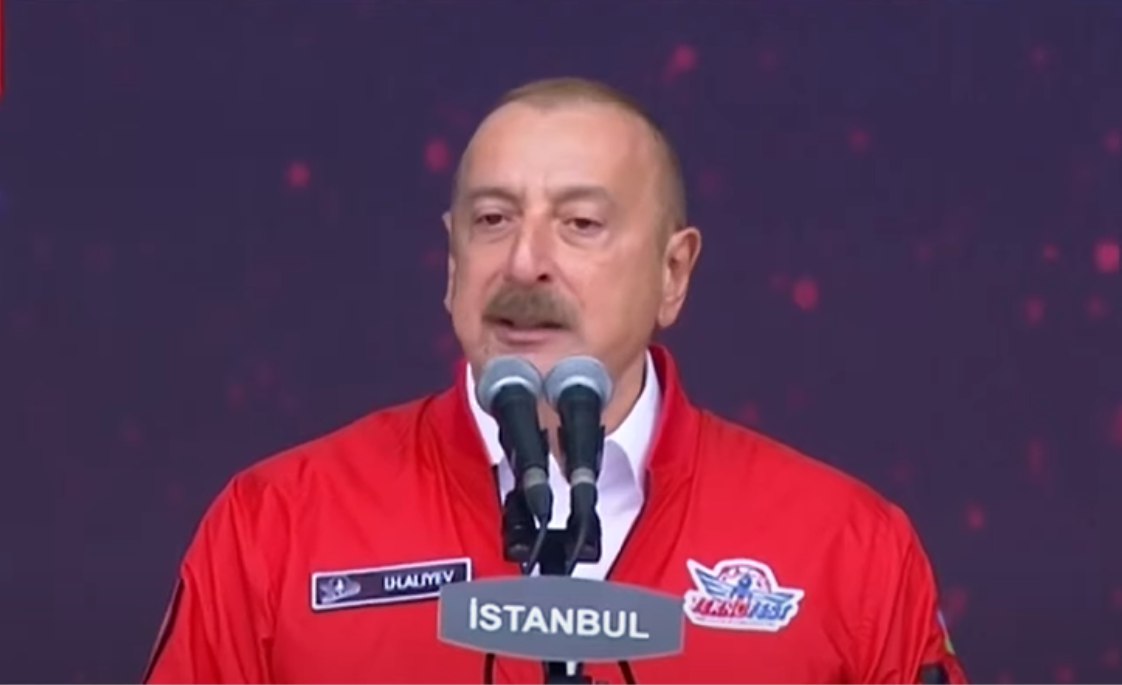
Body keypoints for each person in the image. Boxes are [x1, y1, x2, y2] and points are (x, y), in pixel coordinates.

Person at [143, 77, 968, 684]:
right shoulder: (277, 526)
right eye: (492, 219)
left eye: (580, 223)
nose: (525, 261)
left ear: (673, 272)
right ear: (452, 263)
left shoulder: (847, 549)